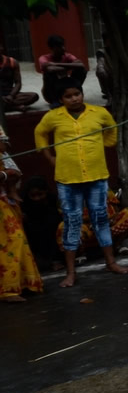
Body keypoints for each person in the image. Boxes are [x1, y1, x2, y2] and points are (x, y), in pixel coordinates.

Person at [34, 77, 128, 287]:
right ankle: (71, 272)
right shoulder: (53, 117)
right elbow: (40, 133)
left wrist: (106, 143)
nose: (74, 99)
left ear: (82, 94)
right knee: (72, 222)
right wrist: (49, 157)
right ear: (61, 99)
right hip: (68, 179)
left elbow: (112, 128)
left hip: (96, 176)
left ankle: (110, 262)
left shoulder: (98, 113)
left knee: (101, 219)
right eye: (68, 96)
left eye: (77, 94)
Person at [0, 128, 42, 302]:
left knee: (18, 239)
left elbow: (14, 171)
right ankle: (7, 290)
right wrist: (4, 175)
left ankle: (22, 283)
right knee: (11, 241)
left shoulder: (4, 155)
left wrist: (9, 177)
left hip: (4, 200)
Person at [21, 175, 61, 270]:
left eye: (40, 194)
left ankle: (56, 260)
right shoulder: (25, 203)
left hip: (53, 231)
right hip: (35, 233)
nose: (37, 199)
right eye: (33, 196)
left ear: (46, 191)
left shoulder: (53, 199)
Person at [38, 35, 86, 107]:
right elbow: (50, 69)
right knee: (49, 73)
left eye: (63, 45)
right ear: (52, 48)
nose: (63, 48)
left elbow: (81, 65)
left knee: (82, 70)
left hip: (66, 86)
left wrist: (55, 64)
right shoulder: (43, 58)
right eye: (59, 47)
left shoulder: (67, 56)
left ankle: (76, 92)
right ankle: (55, 100)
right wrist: (70, 65)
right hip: (51, 92)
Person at [0, 42, 38, 111]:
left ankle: (6, 106)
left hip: (9, 93)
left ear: (1, 48)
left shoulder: (12, 62)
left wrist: (11, 95)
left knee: (33, 96)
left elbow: (18, 83)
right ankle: (14, 107)